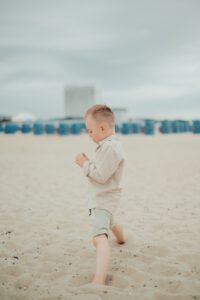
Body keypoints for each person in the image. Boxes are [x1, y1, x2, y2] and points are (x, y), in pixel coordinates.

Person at [75, 104, 126, 285]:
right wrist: (90, 161)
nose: (90, 135)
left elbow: (101, 176)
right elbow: (103, 169)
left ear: (102, 128)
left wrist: (84, 164)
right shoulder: (109, 146)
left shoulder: (110, 148)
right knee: (111, 221)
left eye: (90, 131)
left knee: (99, 238)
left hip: (104, 199)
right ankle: (122, 239)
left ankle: (98, 280)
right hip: (107, 198)